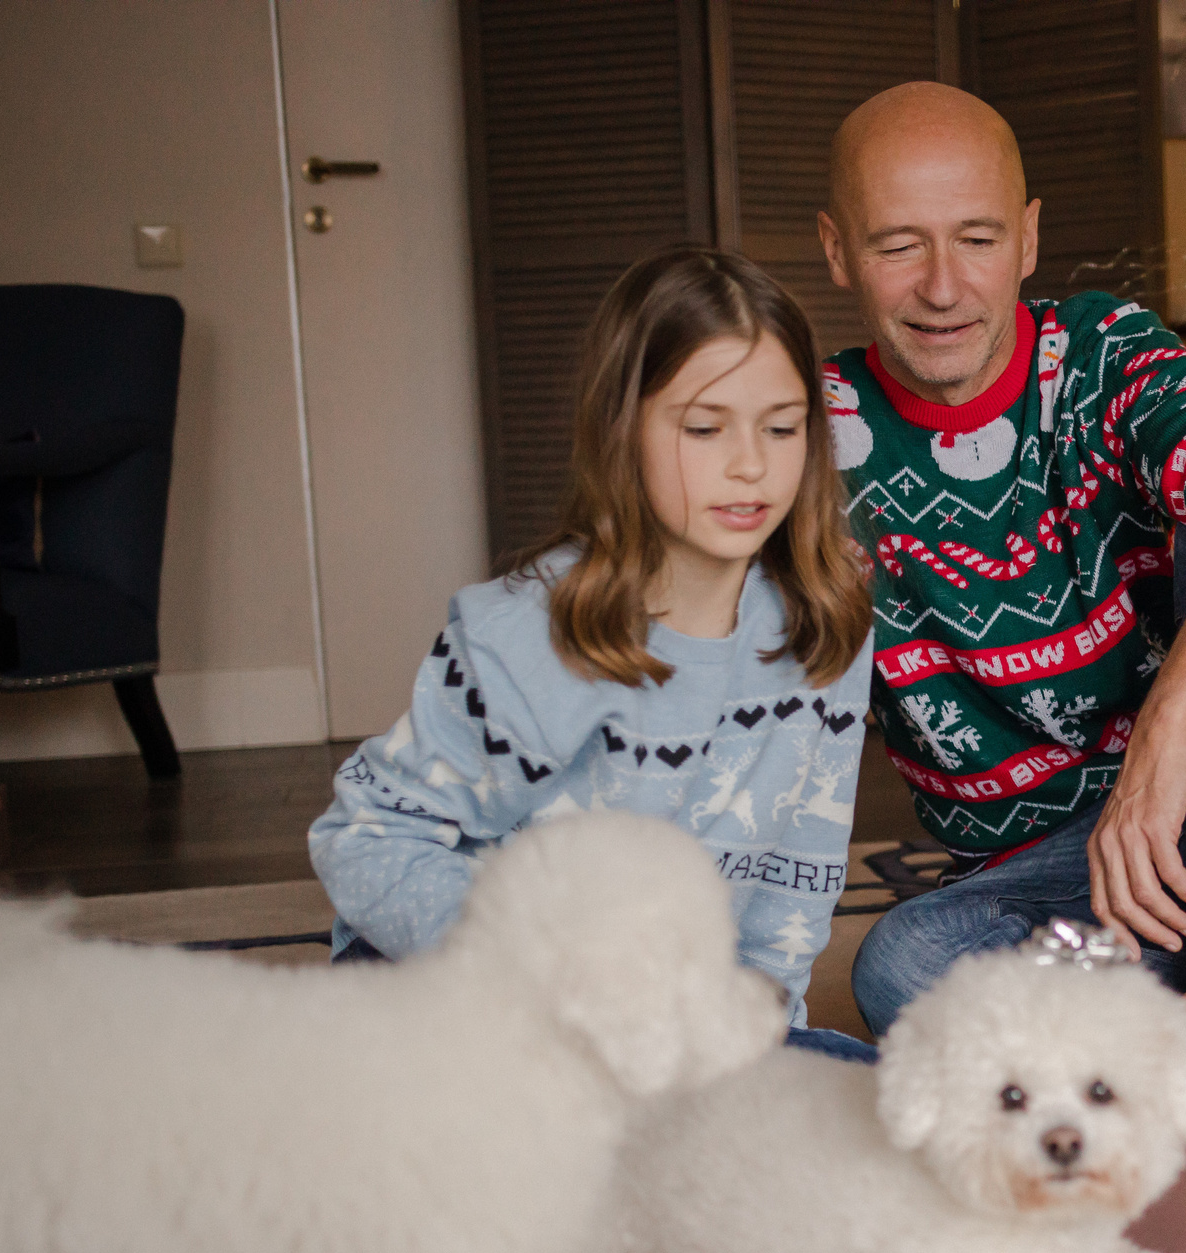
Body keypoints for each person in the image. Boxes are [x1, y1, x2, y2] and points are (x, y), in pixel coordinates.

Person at [821, 83, 1186, 1034]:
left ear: (1027, 240)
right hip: (1045, 881)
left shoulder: (1101, 356)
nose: (943, 286)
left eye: (978, 240)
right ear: (836, 251)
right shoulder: (812, 440)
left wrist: (1165, 735)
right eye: (899, 243)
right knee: (902, 966)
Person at [309, 246, 878, 1061]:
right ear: (625, 429)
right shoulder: (522, 633)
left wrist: (755, 1046)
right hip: (470, 999)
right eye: (704, 427)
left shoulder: (828, 623)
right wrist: (546, 989)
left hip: (662, 1027)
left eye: (781, 427)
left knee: (872, 1115)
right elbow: (362, 839)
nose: (751, 463)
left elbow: (794, 878)